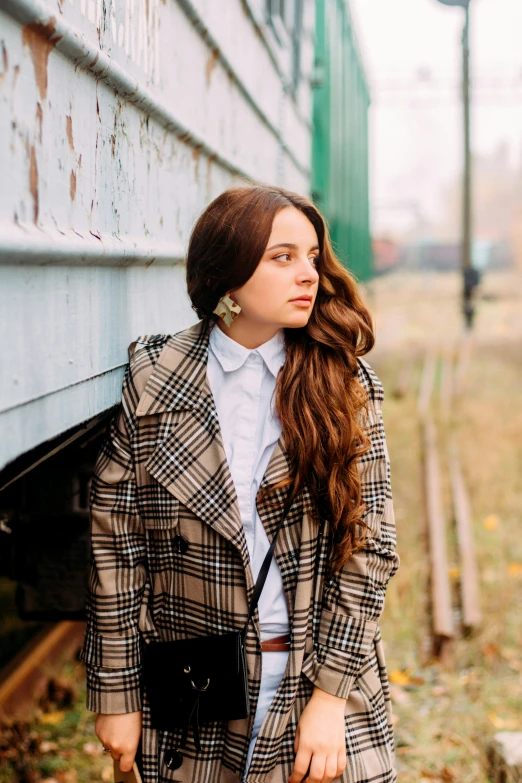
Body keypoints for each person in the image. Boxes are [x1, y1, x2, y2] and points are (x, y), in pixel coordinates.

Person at [79, 184, 400, 783]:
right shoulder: (155, 376)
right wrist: (118, 693)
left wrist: (330, 700)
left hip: (315, 688)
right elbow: (116, 544)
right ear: (225, 274)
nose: (307, 274)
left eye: (311, 256)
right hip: (194, 694)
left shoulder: (344, 387)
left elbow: (370, 551)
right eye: (283, 257)